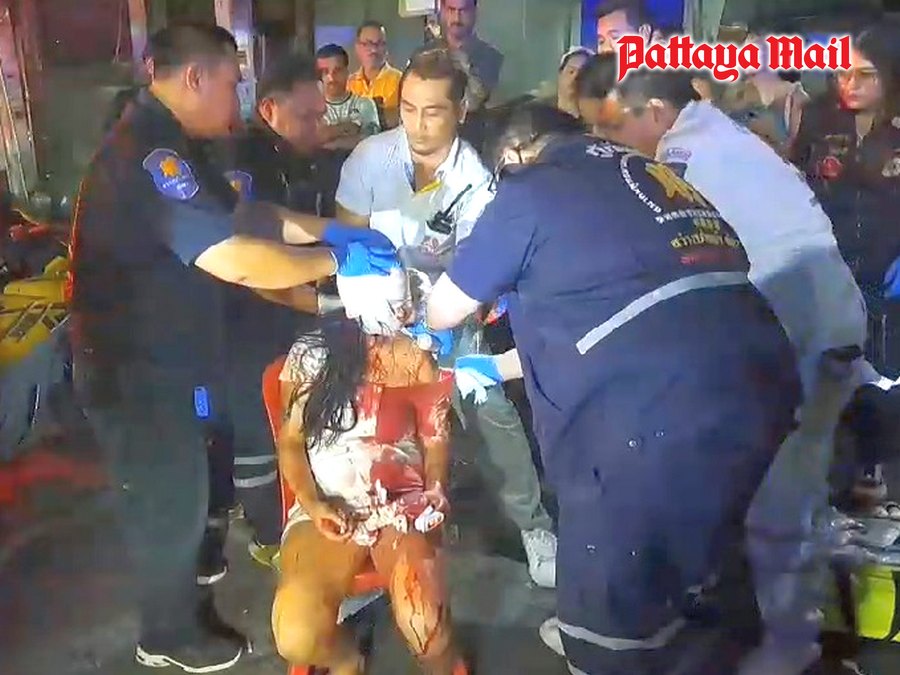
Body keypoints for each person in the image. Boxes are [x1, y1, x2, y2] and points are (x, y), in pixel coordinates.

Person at [426, 102, 802, 675]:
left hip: (650, 413)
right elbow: (625, 310)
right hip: (758, 381)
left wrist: (462, 287)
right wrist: (500, 365)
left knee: (613, 583)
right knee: (703, 555)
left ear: (515, 153)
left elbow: (443, 309)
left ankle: (603, 649)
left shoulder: (533, 187)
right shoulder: (645, 172)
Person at [67, 23, 396, 673]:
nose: (239, 94)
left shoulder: (177, 143)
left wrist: (334, 232)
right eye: (232, 81)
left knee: (187, 490)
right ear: (195, 77)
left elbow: (249, 216)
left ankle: (183, 607)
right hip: (132, 369)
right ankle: (167, 634)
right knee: (168, 502)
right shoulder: (149, 157)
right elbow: (237, 257)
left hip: (165, 358)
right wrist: (337, 263)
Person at [577, 54, 870, 675]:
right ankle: (768, 635)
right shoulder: (718, 137)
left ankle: (789, 653)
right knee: (770, 492)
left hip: (803, 332)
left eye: (612, 126)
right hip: (808, 323)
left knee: (780, 501)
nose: (606, 142)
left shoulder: (687, 158)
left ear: (656, 112)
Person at [334, 48, 557, 588]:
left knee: (488, 406)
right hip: (372, 312)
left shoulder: (476, 180)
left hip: (447, 315)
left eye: (432, 111)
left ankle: (533, 525)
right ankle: (361, 529)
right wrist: (371, 289)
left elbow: (477, 276)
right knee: (353, 420)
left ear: (460, 111)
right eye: (408, 109)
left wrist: (434, 325)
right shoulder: (369, 157)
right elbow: (346, 239)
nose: (417, 124)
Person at [272, 263, 466, 675]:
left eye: (404, 303)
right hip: (329, 503)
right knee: (295, 633)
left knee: (425, 621)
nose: (403, 314)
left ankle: (445, 666)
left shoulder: (416, 356)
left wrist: (434, 488)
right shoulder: (311, 356)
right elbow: (290, 441)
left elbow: (435, 438)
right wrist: (314, 503)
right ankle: (347, 660)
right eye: (392, 306)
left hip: (402, 503)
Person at [210, 52, 333, 572]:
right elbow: (254, 258)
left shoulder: (298, 157)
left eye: (321, 115)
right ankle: (268, 534)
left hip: (290, 313)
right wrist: (325, 299)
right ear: (269, 109)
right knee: (259, 428)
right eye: (306, 117)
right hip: (244, 317)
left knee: (293, 421)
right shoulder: (245, 162)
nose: (318, 127)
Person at [791, 20, 900, 515]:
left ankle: (883, 483)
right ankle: (836, 487)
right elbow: (795, 178)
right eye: (842, 72)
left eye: (865, 74)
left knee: (885, 381)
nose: (849, 84)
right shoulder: (820, 118)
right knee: (828, 381)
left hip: (887, 276)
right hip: (828, 271)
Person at [436, 0, 503, 111]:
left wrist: (461, 59)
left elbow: (474, 103)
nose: (457, 18)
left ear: (474, 12)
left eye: (463, 10)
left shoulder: (492, 58)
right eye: (451, 10)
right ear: (442, 11)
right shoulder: (424, 56)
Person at [316, 43, 381, 151]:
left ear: (347, 72)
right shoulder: (313, 111)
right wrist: (346, 128)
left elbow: (372, 142)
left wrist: (332, 142)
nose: (331, 77)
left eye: (337, 71)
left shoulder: (365, 104)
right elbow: (312, 143)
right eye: (325, 72)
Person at [349, 20, 403, 129]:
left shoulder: (401, 81)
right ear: (357, 47)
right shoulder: (348, 83)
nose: (374, 50)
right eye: (368, 44)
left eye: (379, 44)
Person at [555, 47, 593, 118]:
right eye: (571, 71)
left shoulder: (595, 122)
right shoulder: (538, 113)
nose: (575, 77)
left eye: (582, 74)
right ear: (560, 74)